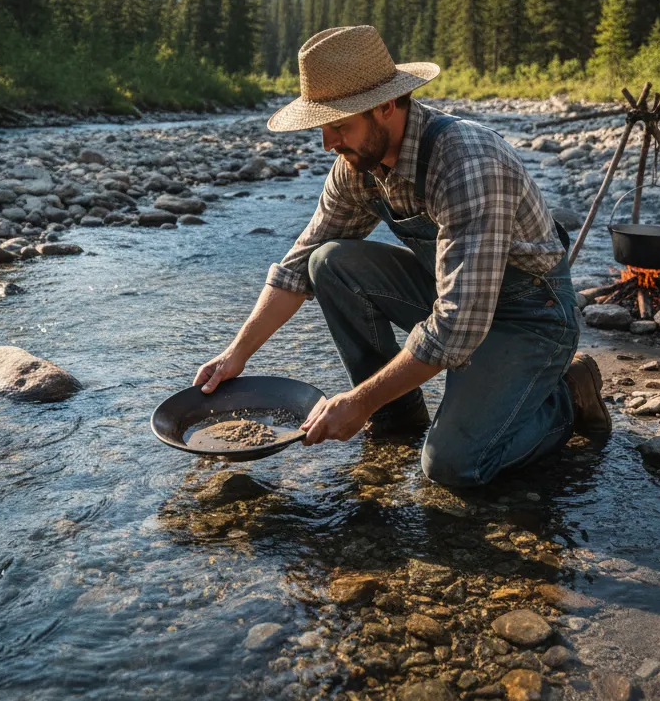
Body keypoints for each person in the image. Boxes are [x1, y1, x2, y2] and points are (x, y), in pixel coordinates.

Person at [193, 25, 610, 487]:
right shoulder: (357, 166)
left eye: (339, 126)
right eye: (323, 127)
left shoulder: (465, 162)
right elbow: (298, 264)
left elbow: (456, 327)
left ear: (386, 107)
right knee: (328, 262)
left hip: (530, 315)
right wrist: (236, 355)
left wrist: (358, 401)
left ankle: (569, 396)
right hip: (458, 297)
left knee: (453, 467)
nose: (328, 143)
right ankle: (398, 415)